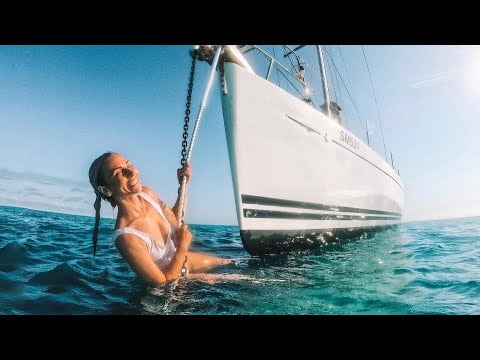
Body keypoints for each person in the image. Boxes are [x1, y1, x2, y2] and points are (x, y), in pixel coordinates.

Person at [88, 152, 231, 285]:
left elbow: (176, 219)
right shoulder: (126, 237)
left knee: (233, 264)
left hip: (184, 261)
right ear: (105, 190)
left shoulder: (147, 193)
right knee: (240, 282)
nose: (131, 172)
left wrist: (184, 185)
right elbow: (162, 282)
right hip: (173, 285)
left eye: (129, 164)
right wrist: (182, 247)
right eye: (119, 172)